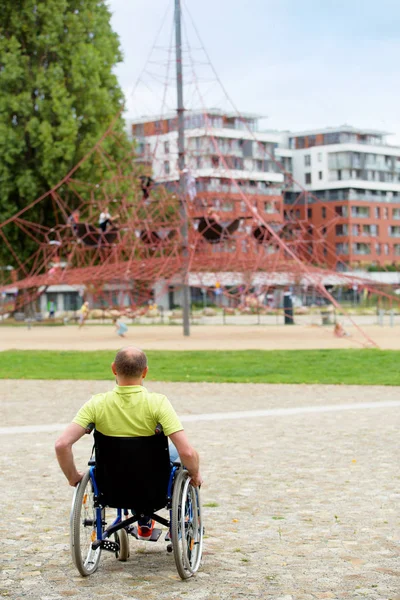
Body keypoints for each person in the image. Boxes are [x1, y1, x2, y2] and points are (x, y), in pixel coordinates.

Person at [55, 346, 202, 540]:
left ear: (114, 369)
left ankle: (143, 521)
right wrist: (195, 474)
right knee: (185, 455)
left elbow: (62, 445)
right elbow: (187, 453)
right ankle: (180, 517)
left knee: (126, 462)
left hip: (112, 484)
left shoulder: (96, 404)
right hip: (153, 483)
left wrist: (73, 476)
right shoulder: (158, 403)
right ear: (145, 371)